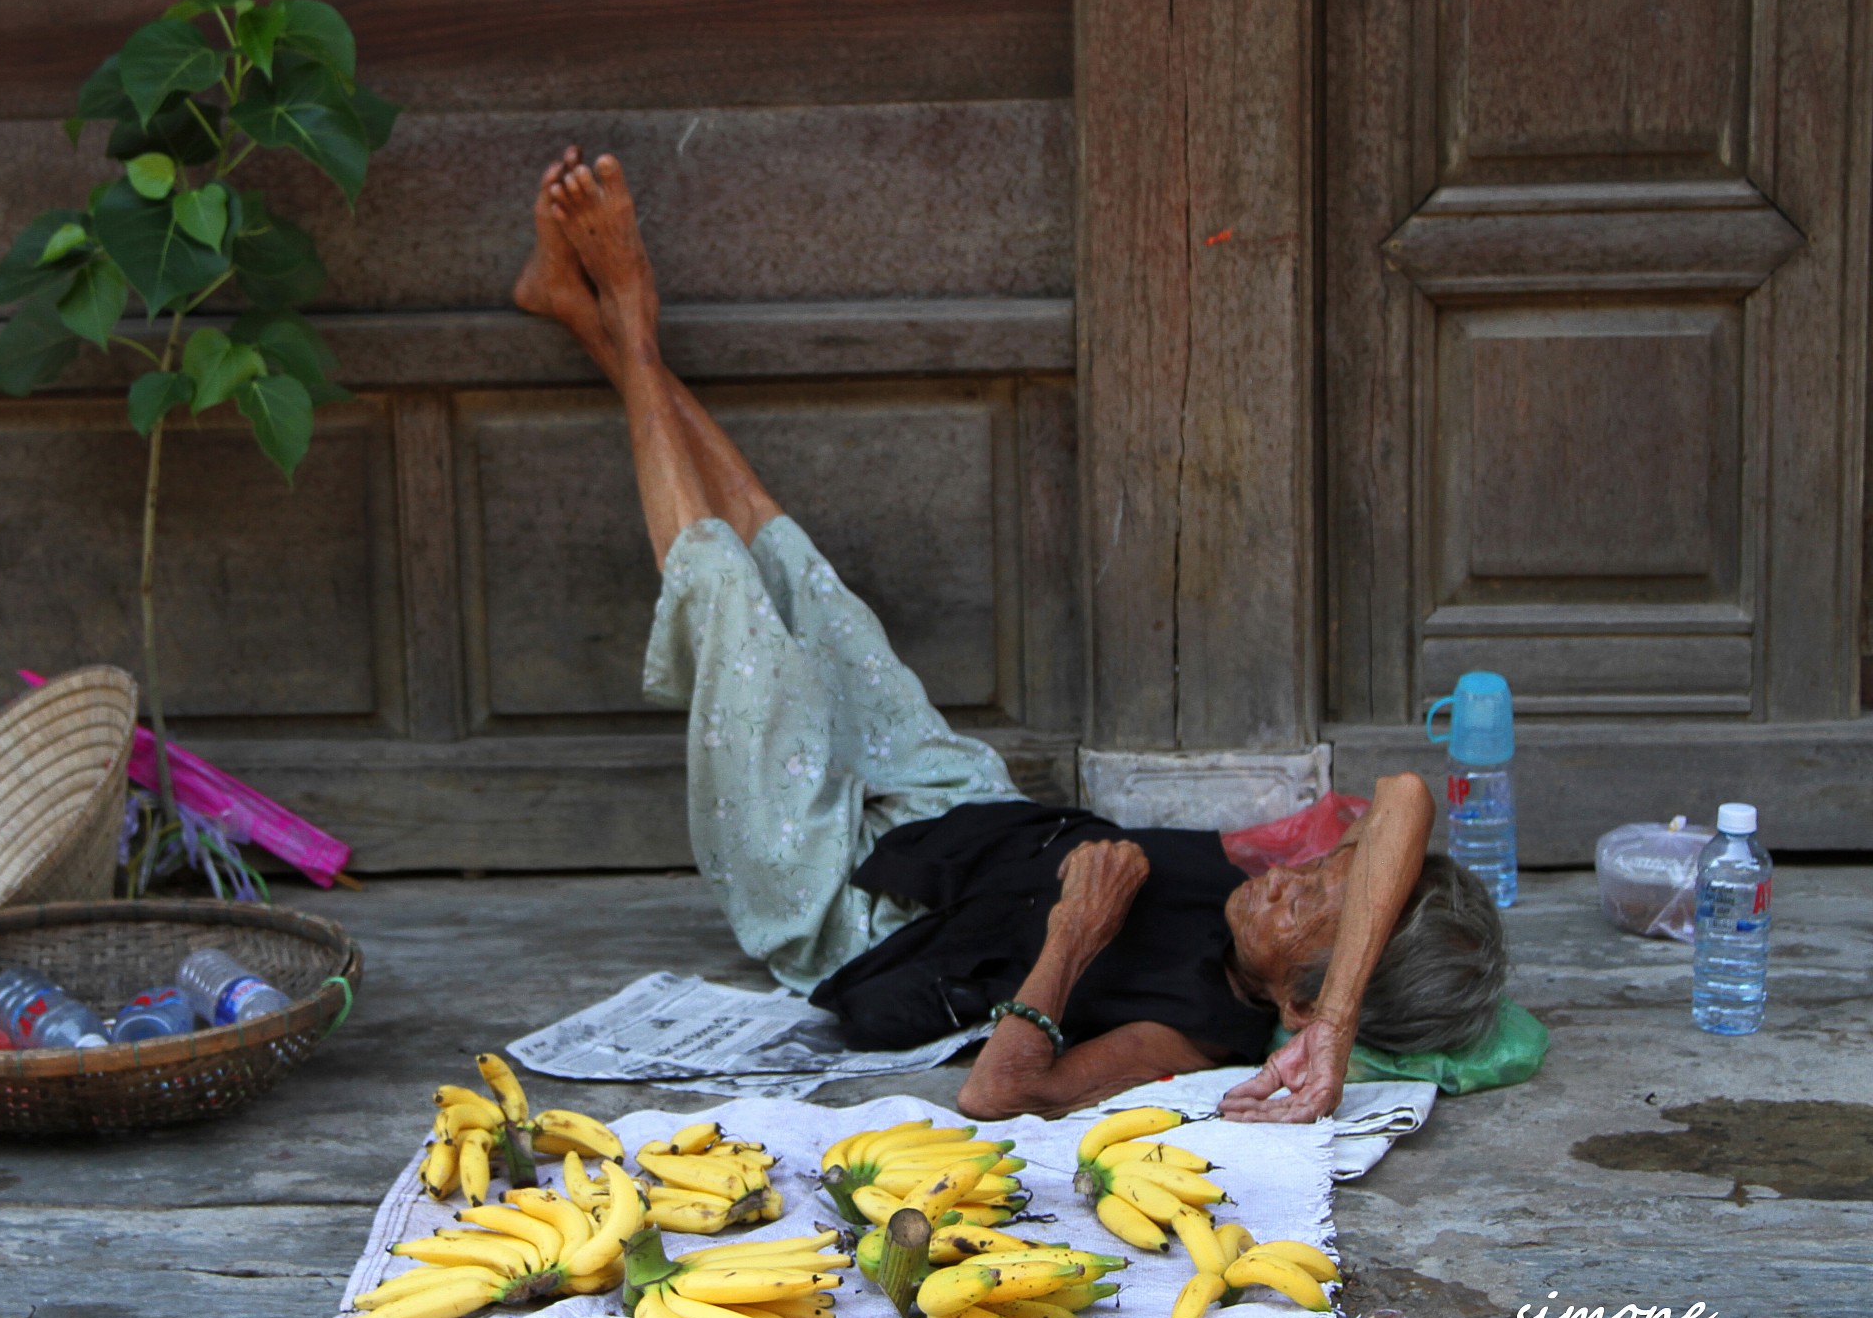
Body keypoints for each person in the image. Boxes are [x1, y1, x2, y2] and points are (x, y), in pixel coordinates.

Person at [511, 148, 1508, 1124]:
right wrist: (1337, 1018)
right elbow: (1406, 796)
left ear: (1289, 1004)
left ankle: (626, 323)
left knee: (738, 612)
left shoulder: (1194, 1030)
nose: (1286, 873)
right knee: (812, 593)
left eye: (1305, 907)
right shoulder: (1293, 935)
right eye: (1322, 868)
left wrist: (1074, 939)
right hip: (974, 822)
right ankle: (590, 321)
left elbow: (1003, 1092)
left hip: (859, 922)